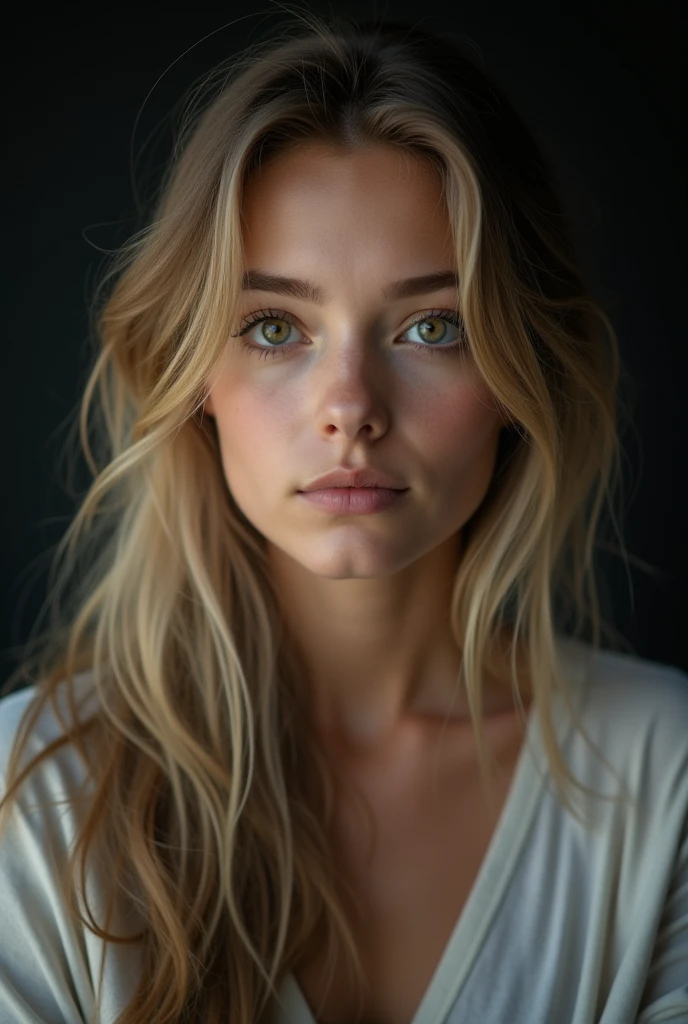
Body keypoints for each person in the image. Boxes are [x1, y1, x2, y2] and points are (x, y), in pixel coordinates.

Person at [1, 11, 686, 1024]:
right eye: (275, 326)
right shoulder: (32, 797)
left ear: (514, 370)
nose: (350, 405)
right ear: (193, 374)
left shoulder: (665, 773)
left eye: (430, 326)